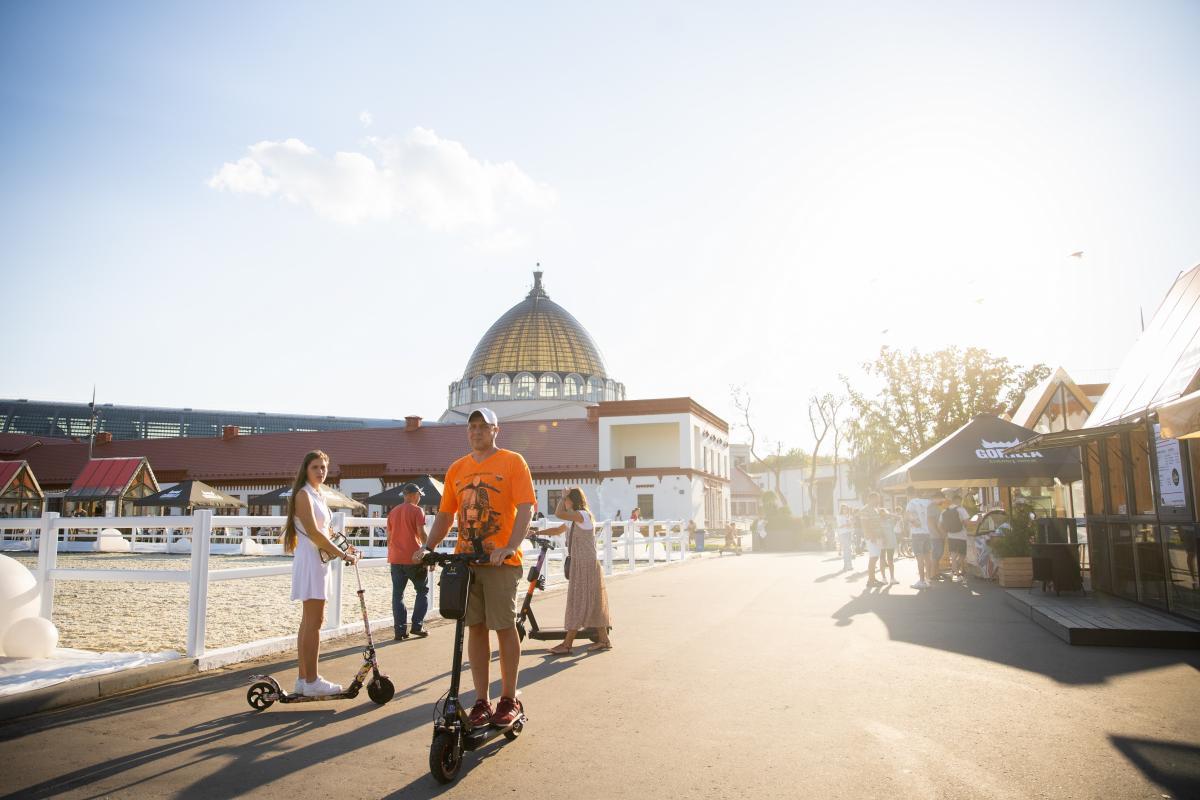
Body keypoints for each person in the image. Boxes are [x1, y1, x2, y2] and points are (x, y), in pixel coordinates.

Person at [412, 408, 534, 729]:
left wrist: (511, 545)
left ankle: (508, 697)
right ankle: (482, 699)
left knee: (504, 625)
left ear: (496, 430)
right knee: (475, 628)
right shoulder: (457, 469)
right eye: (472, 427)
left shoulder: (512, 462)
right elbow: (446, 515)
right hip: (466, 562)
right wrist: (428, 547)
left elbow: (525, 507)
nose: (476, 431)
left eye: (483, 426)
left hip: (499, 561)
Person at [285, 450, 359, 697]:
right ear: (306, 469)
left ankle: (303, 680)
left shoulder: (318, 495)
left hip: (318, 560)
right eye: (315, 467)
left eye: (324, 467)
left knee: (309, 622)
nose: (320, 472)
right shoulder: (303, 495)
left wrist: (346, 546)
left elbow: (326, 531)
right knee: (313, 622)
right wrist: (342, 555)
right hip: (310, 559)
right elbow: (314, 533)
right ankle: (312, 680)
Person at [544, 487, 612, 655]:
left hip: (586, 565)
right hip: (581, 564)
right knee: (592, 602)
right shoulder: (574, 519)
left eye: (567, 500)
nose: (564, 503)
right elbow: (557, 530)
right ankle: (604, 640)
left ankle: (567, 644)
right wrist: (535, 532)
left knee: (578, 602)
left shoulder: (582, 515)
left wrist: (562, 496)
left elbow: (558, 513)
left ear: (572, 500)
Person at [387, 483, 430, 640]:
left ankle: (399, 631)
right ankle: (417, 626)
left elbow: (389, 537)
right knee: (422, 590)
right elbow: (422, 533)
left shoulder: (393, 512)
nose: (419, 499)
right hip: (413, 558)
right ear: (413, 495)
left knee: (397, 595)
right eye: (419, 496)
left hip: (395, 558)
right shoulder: (417, 510)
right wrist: (427, 550)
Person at [941, 490, 970, 581]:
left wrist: (945, 533)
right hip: (961, 536)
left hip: (951, 536)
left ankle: (954, 573)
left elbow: (940, 525)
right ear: (959, 501)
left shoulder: (945, 511)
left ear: (952, 501)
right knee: (962, 555)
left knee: (953, 556)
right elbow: (966, 523)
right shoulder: (961, 509)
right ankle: (957, 573)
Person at [905, 492, 932, 589]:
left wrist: (914, 522)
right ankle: (928, 578)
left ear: (908, 494)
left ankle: (922, 581)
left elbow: (908, 515)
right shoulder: (927, 502)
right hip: (927, 532)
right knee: (927, 556)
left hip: (917, 533)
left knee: (919, 558)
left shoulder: (911, 502)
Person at [859, 494, 884, 587]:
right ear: (870, 499)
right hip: (872, 537)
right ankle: (870, 580)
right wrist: (871, 535)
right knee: (873, 558)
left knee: (876, 557)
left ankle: (873, 579)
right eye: (876, 499)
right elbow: (865, 524)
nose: (877, 501)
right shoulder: (865, 509)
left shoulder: (875, 509)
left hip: (878, 536)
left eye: (878, 499)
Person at [927, 493, 948, 581]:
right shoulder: (931, 507)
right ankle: (932, 575)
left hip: (938, 535)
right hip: (935, 535)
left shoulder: (935, 507)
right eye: (942, 499)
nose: (943, 501)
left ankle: (936, 572)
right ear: (937, 498)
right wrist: (938, 534)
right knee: (936, 554)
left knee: (938, 554)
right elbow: (930, 521)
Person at [879, 502, 898, 585]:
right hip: (882, 542)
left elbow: (898, 517)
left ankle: (892, 578)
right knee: (882, 559)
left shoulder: (890, 521)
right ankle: (883, 578)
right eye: (882, 514)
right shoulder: (877, 521)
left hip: (890, 542)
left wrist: (888, 513)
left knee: (890, 560)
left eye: (885, 514)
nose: (884, 515)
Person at [836, 504, 854, 571]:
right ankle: (846, 565)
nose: (845, 510)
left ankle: (849, 565)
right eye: (843, 508)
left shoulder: (849, 516)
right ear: (841, 509)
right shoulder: (839, 516)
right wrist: (846, 524)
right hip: (843, 534)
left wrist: (851, 522)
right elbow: (839, 526)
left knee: (849, 550)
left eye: (846, 508)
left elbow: (851, 525)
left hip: (849, 533)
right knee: (846, 549)